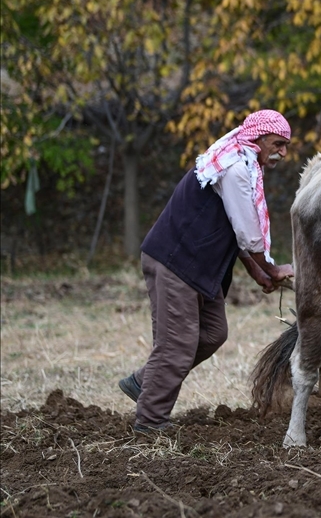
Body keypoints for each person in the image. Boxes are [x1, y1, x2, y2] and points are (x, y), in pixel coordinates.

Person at [118, 110, 295, 432]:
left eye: (285, 146)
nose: (283, 152)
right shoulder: (235, 168)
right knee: (177, 344)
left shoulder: (242, 162)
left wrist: (256, 272)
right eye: (278, 144)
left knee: (213, 333)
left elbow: (232, 225)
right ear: (258, 138)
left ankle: (143, 382)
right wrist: (270, 266)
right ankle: (150, 421)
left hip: (198, 266)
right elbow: (246, 231)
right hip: (176, 262)